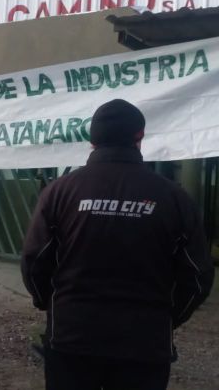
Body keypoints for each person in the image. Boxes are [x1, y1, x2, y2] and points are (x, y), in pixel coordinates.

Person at [21, 99, 214, 390]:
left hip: (72, 337)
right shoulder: (174, 198)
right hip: (144, 343)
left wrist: (52, 304)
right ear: (140, 136)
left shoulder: (59, 191)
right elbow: (198, 276)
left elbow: (34, 262)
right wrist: (167, 317)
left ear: (91, 141)